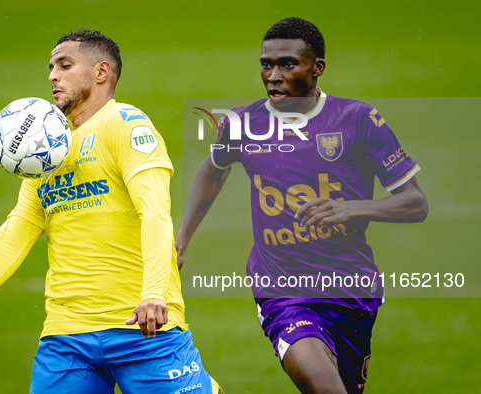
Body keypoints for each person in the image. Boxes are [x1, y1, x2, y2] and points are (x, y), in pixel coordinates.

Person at [0, 28, 222, 394]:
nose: (52, 76)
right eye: (50, 67)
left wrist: (155, 292)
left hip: (142, 325)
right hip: (66, 338)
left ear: (101, 72)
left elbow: (155, 211)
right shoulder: (46, 152)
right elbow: (15, 231)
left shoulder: (125, 125)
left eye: (64, 65)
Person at [176, 17, 428, 393]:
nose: (273, 75)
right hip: (283, 291)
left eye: (287, 64)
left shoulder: (358, 120)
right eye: (266, 64)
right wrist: (180, 242)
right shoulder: (243, 124)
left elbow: (415, 203)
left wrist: (351, 208)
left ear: (317, 68)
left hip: (351, 289)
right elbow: (213, 170)